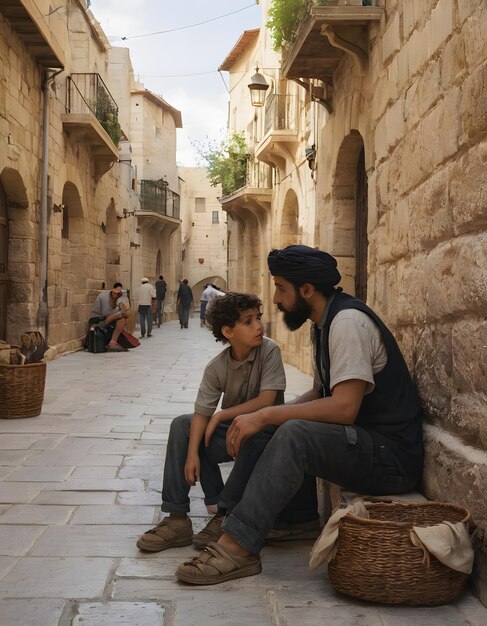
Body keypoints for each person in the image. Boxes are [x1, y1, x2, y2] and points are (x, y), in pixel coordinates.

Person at [175, 245, 424, 585]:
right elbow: (321, 396)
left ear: (306, 290)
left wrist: (267, 415)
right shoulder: (322, 324)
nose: (275, 299)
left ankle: (237, 546)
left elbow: (344, 407)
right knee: (275, 423)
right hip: (364, 446)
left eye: (281, 288)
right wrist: (270, 415)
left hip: (389, 457)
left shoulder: (347, 323)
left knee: (292, 431)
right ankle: (293, 519)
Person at [136, 292, 286, 553]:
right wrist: (192, 454)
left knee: (256, 433)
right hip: (234, 435)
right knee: (184, 426)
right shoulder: (217, 367)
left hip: (266, 435)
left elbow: (267, 400)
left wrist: (222, 415)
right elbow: (201, 414)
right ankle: (177, 519)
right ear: (228, 331)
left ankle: (224, 514)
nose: (259, 326)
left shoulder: (269, 351)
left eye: (258, 318)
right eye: (248, 321)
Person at [88, 282, 130, 352]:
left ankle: (112, 342)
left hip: (106, 318)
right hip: (97, 318)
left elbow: (120, 306)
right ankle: (103, 326)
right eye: (115, 293)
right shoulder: (104, 296)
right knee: (121, 315)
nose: (116, 295)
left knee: (122, 319)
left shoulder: (118, 297)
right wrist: (120, 313)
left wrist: (122, 309)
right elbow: (105, 313)